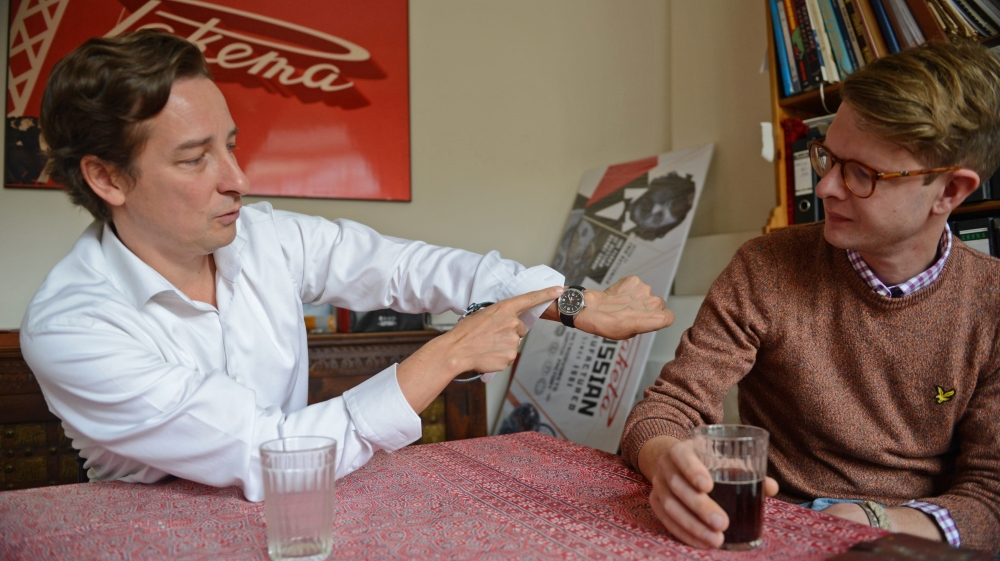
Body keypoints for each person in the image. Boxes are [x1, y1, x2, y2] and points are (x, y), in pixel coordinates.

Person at [20, 30, 673, 502]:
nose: (237, 178)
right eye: (195, 159)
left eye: (232, 146)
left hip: (303, 518)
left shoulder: (263, 237)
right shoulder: (73, 326)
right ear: (107, 177)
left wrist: (573, 301)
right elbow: (268, 452)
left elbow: (410, 268)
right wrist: (445, 356)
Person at [621, 40, 1000, 553]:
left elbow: (990, 498)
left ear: (951, 191)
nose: (825, 188)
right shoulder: (766, 266)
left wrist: (867, 519)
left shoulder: (991, 303)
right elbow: (667, 409)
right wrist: (668, 459)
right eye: (826, 157)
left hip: (910, 535)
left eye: (862, 174)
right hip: (774, 521)